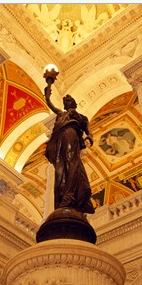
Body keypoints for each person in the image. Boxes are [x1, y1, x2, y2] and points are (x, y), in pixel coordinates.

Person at [44, 86, 95, 214]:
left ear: (74, 103)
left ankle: (70, 195)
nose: (66, 104)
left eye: (68, 101)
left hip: (71, 135)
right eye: (65, 102)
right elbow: (51, 106)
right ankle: (64, 196)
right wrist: (48, 95)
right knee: (61, 168)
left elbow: (88, 130)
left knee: (72, 161)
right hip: (60, 139)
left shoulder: (81, 117)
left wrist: (89, 137)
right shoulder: (62, 114)